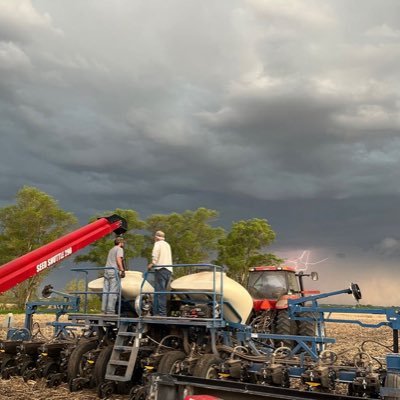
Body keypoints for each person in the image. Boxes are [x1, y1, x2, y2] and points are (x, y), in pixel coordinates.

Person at [147, 230, 172, 316]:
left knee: (159, 292)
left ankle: (160, 313)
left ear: (157, 237)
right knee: (163, 292)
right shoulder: (167, 245)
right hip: (169, 270)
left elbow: (155, 255)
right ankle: (162, 312)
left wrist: (152, 263)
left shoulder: (157, 244)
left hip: (161, 269)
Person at [102, 236, 125, 314]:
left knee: (105, 291)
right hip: (113, 271)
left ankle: (103, 309)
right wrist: (122, 270)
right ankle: (110, 310)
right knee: (113, 291)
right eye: (123, 242)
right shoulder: (119, 249)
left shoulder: (111, 250)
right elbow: (119, 259)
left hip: (106, 271)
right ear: (120, 243)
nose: (123, 244)